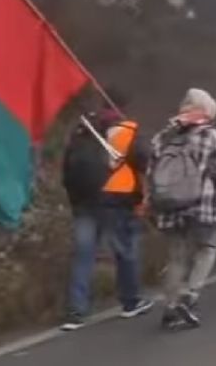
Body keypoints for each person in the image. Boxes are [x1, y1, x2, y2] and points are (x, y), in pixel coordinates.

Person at [60, 91, 153, 331]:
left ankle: (76, 312)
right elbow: (144, 160)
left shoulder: (83, 128)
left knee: (83, 255)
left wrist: (74, 199)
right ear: (122, 105)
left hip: (82, 201)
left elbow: (66, 167)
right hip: (113, 199)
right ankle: (131, 302)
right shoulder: (126, 129)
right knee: (124, 250)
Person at [150, 88, 216, 330]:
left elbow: (152, 175)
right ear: (207, 111)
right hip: (203, 207)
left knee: (176, 257)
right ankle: (189, 296)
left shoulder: (162, 137)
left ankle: (170, 308)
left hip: (169, 207)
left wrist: (153, 205)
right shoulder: (211, 136)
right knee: (208, 248)